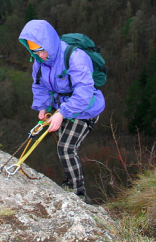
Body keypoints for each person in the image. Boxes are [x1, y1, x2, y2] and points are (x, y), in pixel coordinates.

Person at [19, 20, 105, 203]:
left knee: (66, 148)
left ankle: (78, 193)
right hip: (62, 108)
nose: (39, 55)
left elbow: (84, 92)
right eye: (34, 51)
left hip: (85, 109)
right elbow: (39, 85)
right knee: (61, 145)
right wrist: (42, 106)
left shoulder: (75, 57)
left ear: (49, 43)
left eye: (41, 50)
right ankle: (70, 182)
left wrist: (61, 113)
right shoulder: (39, 61)